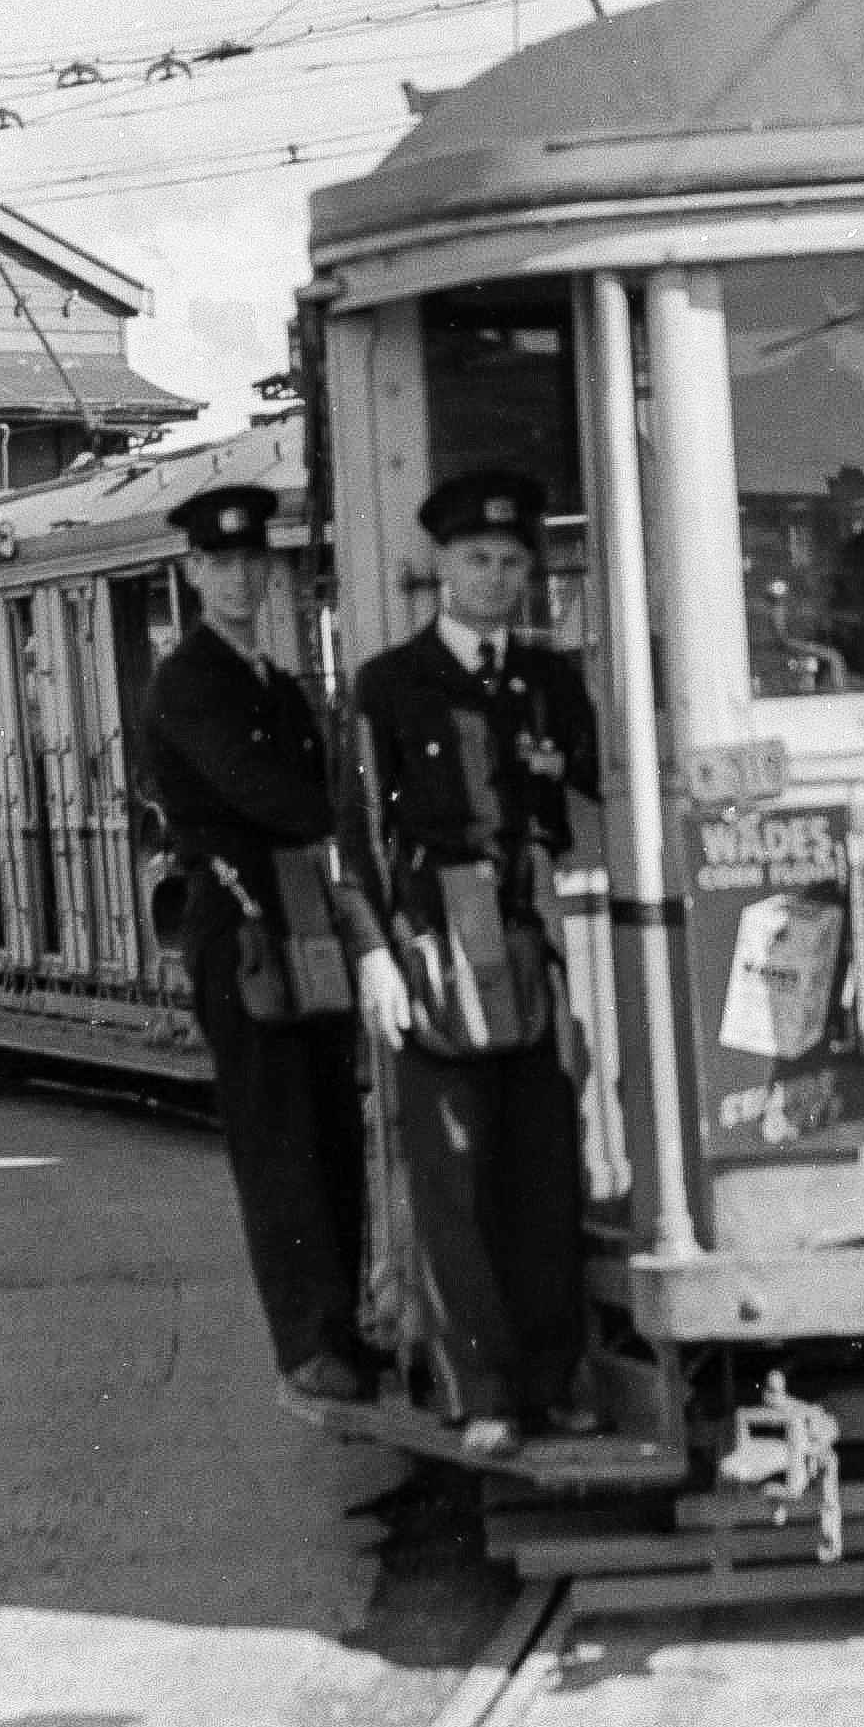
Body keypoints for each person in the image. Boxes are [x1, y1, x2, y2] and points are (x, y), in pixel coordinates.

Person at [338, 467, 600, 1456]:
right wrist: (375, 957)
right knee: (453, 1181)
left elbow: (596, 792)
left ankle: (553, 1381)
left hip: (532, 956)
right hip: (432, 956)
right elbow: (356, 840)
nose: (493, 576)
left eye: (510, 561)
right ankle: (484, 1393)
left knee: (544, 1176)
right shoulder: (389, 686)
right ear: (442, 566)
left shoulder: (551, 684)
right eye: (475, 559)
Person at [136, 482, 374, 1404]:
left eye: (252, 562)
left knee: (326, 1125)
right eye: (220, 563)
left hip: (296, 917)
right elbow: (266, 791)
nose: (240, 579)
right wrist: (363, 819)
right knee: (278, 1136)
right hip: (239, 926)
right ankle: (309, 1343)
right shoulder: (188, 682)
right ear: (195, 573)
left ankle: (342, 1326)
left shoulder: (268, 682)